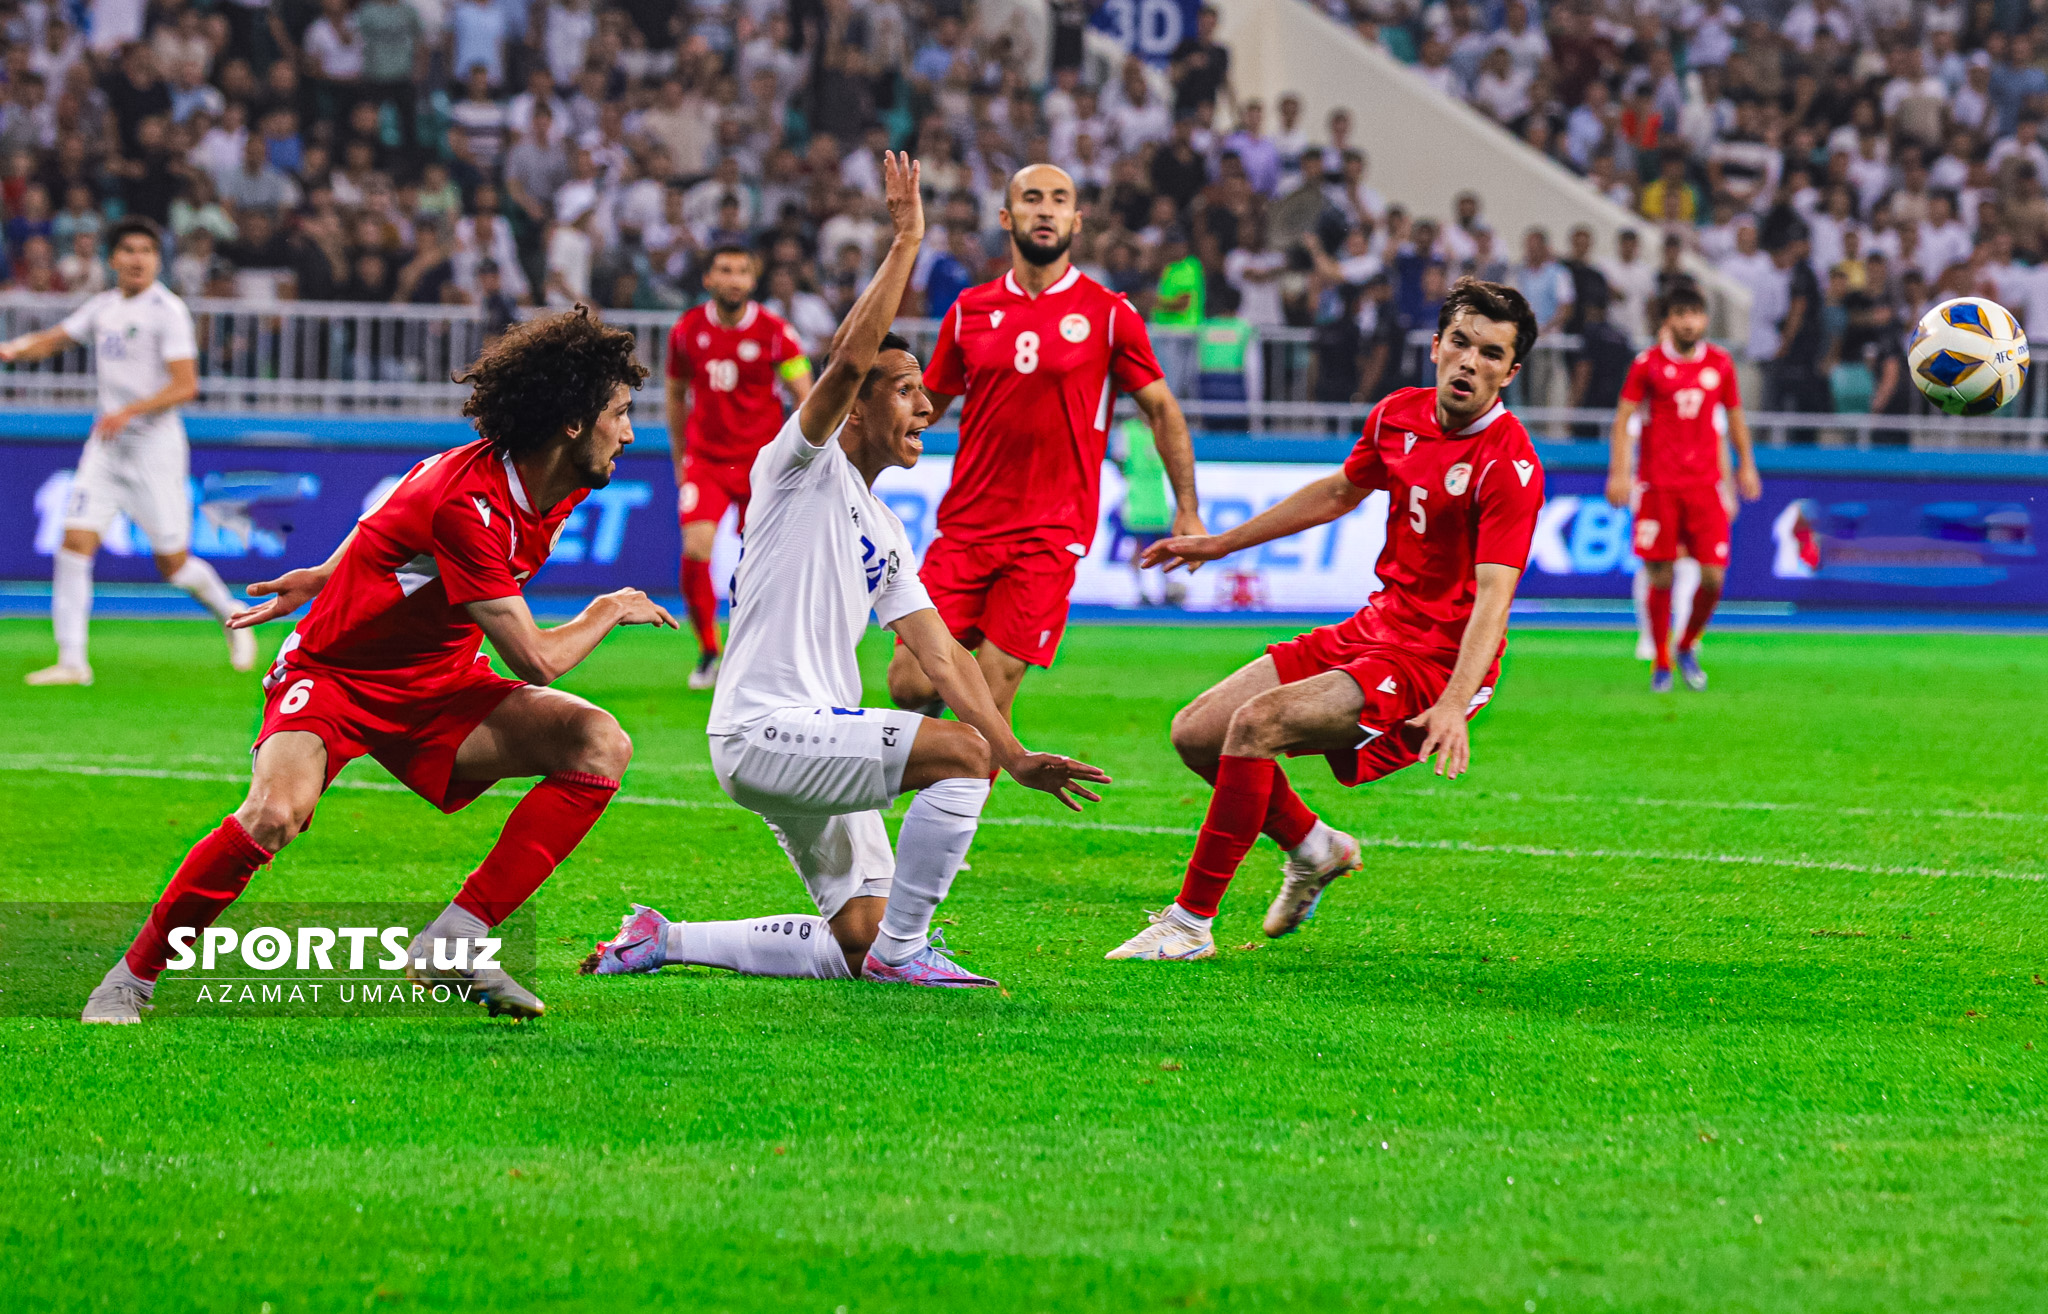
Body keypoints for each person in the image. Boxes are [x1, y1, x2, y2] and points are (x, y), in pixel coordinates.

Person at [580, 155, 1109, 989]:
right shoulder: (797, 466)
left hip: (814, 731)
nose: (927, 407)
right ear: (855, 406)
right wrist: (907, 240)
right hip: (765, 729)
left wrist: (1017, 753)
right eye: (905, 392)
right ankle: (911, 954)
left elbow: (941, 657)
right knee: (957, 757)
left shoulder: (886, 526)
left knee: (857, 937)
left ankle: (664, 937)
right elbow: (850, 357)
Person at [78, 309, 679, 1024]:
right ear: (574, 424)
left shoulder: (554, 482)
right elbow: (538, 660)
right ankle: (129, 979)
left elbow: (389, 518)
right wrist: (607, 609)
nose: (631, 432)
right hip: (335, 677)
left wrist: (327, 572)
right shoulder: (472, 502)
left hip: (438, 684)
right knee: (273, 814)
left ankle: (455, 939)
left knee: (599, 744)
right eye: (620, 413)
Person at [1106, 278, 1547, 961]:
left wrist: (1456, 703)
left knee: (1257, 724)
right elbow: (1342, 490)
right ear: (1435, 347)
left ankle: (1189, 924)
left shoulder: (1509, 466)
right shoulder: (1398, 415)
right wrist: (1221, 542)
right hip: (1375, 626)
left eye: (1490, 354)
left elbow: (1494, 597)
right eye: (1460, 342)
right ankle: (1316, 848)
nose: (1470, 362)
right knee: (1198, 733)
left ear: (1510, 373)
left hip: (1433, 661)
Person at [885, 164, 1205, 725]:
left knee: (987, 701)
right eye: (1032, 199)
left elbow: (1162, 409)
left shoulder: (1109, 314)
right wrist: (860, 447)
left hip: (1051, 533)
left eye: (1059, 200)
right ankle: (946, 737)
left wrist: (1188, 509)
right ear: (1008, 218)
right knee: (908, 683)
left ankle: (950, 807)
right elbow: (925, 406)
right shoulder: (969, 311)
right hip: (967, 525)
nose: (1046, 209)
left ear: (1077, 221)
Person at [5, 217, 253, 686]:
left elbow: (185, 385)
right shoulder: (104, 306)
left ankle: (231, 613)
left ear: (157, 261)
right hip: (106, 449)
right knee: (73, 545)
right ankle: (73, 661)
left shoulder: (168, 311)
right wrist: (13, 349)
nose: (137, 259)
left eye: (147, 250)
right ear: (113, 259)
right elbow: (56, 338)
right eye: (129, 250)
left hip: (154, 451)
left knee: (173, 565)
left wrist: (130, 412)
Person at [664, 245, 814, 690]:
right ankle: (710, 649)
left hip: (761, 465)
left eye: (742, 271)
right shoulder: (686, 330)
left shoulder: (776, 332)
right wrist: (679, 460)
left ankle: (757, 652)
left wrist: (800, 459)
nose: (733, 279)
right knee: (695, 549)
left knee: (762, 563)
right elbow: (675, 395)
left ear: (753, 281)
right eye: (724, 270)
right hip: (707, 459)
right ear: (709, 278)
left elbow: (805, 397)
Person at [1606, 283, 1762, 693]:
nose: (1689, 321)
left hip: (1705, 486)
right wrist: (1620, 472)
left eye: (1695, 313)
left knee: (1713, 577)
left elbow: (1733, 418)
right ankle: (1661, 661)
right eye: (1681, 313)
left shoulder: (1721, 365)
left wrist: (1746, 464)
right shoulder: (1647, 365)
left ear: (1705, 319)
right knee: (1662, 575)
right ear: (1668, 320)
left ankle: (1687, 643)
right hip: (1658, 485)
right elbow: (1622, 420)